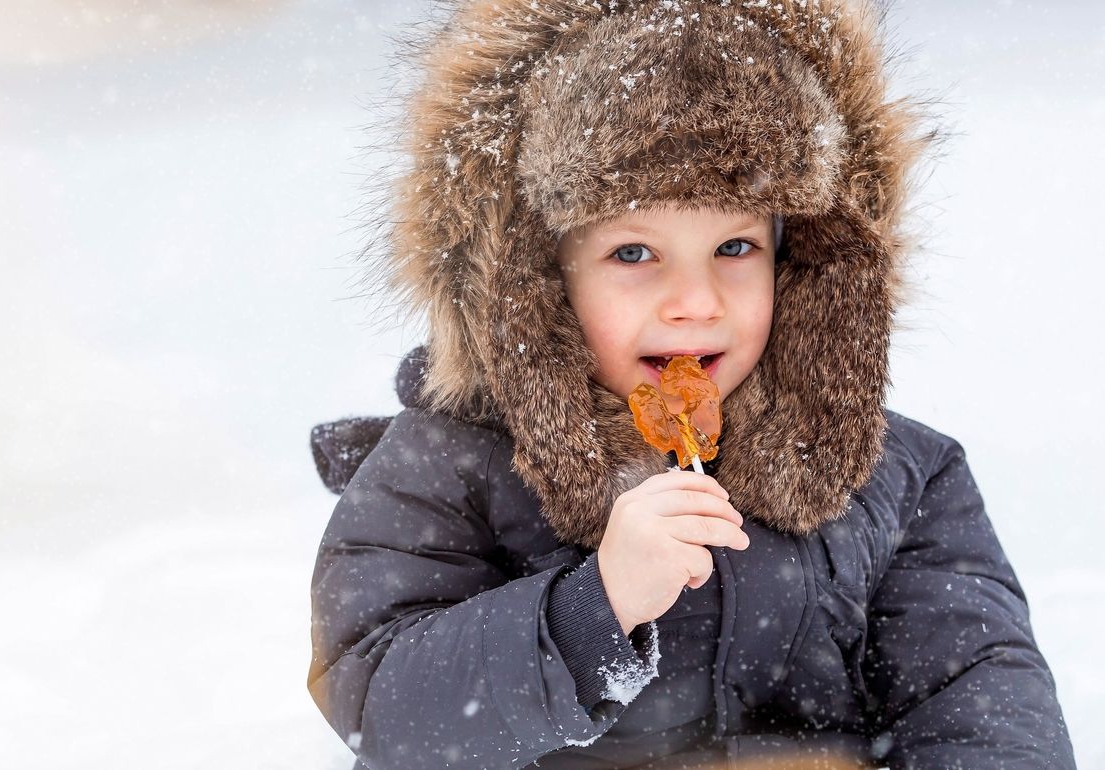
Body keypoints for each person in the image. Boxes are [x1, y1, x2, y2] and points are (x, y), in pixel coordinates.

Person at [307, 0, 1076, 767]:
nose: (696, 303)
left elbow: (979, 694)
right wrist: (594, 609)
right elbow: (380, 706)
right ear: (539, 280)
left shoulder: (899, 478)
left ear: (802, 260)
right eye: (634, 254)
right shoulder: (451, 465)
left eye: (734, 245)